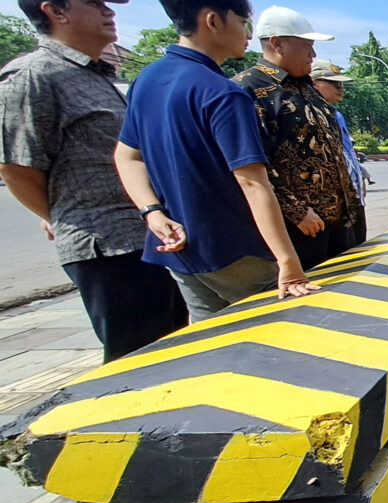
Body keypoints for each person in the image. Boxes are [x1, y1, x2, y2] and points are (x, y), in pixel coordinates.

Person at [0, 0, 187, 362]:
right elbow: (17, 169)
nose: (110, 12)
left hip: (142, 239)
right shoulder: (33, 76)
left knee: (170, 348)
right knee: (137, 362)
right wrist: (63, 216)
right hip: (105, 248)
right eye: (95, 3)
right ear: (56, 11)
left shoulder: (94, 74)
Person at [115, 0, 318, 323]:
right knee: (283, 335)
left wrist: (152, 212)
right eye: (242, 22)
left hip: (180, 249)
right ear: (212, 21)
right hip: (236, 252)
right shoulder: (222, 93)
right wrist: (288, 263)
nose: (249, 33)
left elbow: (127, 156)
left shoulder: (147, 79)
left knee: (212, 344)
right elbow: (252, 183)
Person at [233, 6, 358, 269]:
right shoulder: (248, 89)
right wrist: (296, 211)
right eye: (307, 47)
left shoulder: (306, 88)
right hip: (302, 228)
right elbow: (252, 166)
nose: (313, 55)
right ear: (277, 44)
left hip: (340, 222)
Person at [310, 60, 371, 246]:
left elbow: (346, 153)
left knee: (359, 252)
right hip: (330, 208)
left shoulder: (335, 114)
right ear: (314, 83)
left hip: (352, 201)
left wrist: (358, 179)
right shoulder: (308, 114)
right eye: (334, 83)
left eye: (341, 83)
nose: (340, 87)